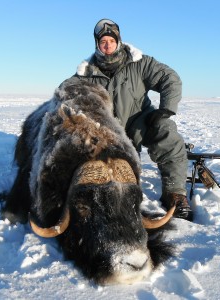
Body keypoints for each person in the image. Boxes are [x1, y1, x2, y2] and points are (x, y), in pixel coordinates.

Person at [61, 18, 193, 221]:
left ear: (118, 41)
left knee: (166, 132)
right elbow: (64, 91)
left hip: (140, 123)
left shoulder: (140, 63)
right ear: (97, 43)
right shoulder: (86, 73)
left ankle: (175, 194)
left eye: (111, 41)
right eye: (103, 41)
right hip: (107, 132)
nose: (107, 45)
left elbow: (170, 79)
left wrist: (165, 109)